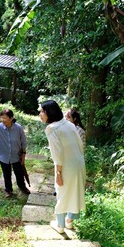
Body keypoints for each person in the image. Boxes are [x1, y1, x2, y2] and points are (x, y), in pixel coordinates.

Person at [39, 100, 86, 233]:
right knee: (75, 191)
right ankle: (69, 222)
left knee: (62, 193)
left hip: (66, 166)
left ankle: (60, 226)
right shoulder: (68, 123)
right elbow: (80, 145)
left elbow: (57, 153)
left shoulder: (51, 129)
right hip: (79, 163)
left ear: (49, 113)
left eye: (42, 111)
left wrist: (58, 173)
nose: (40, 114)